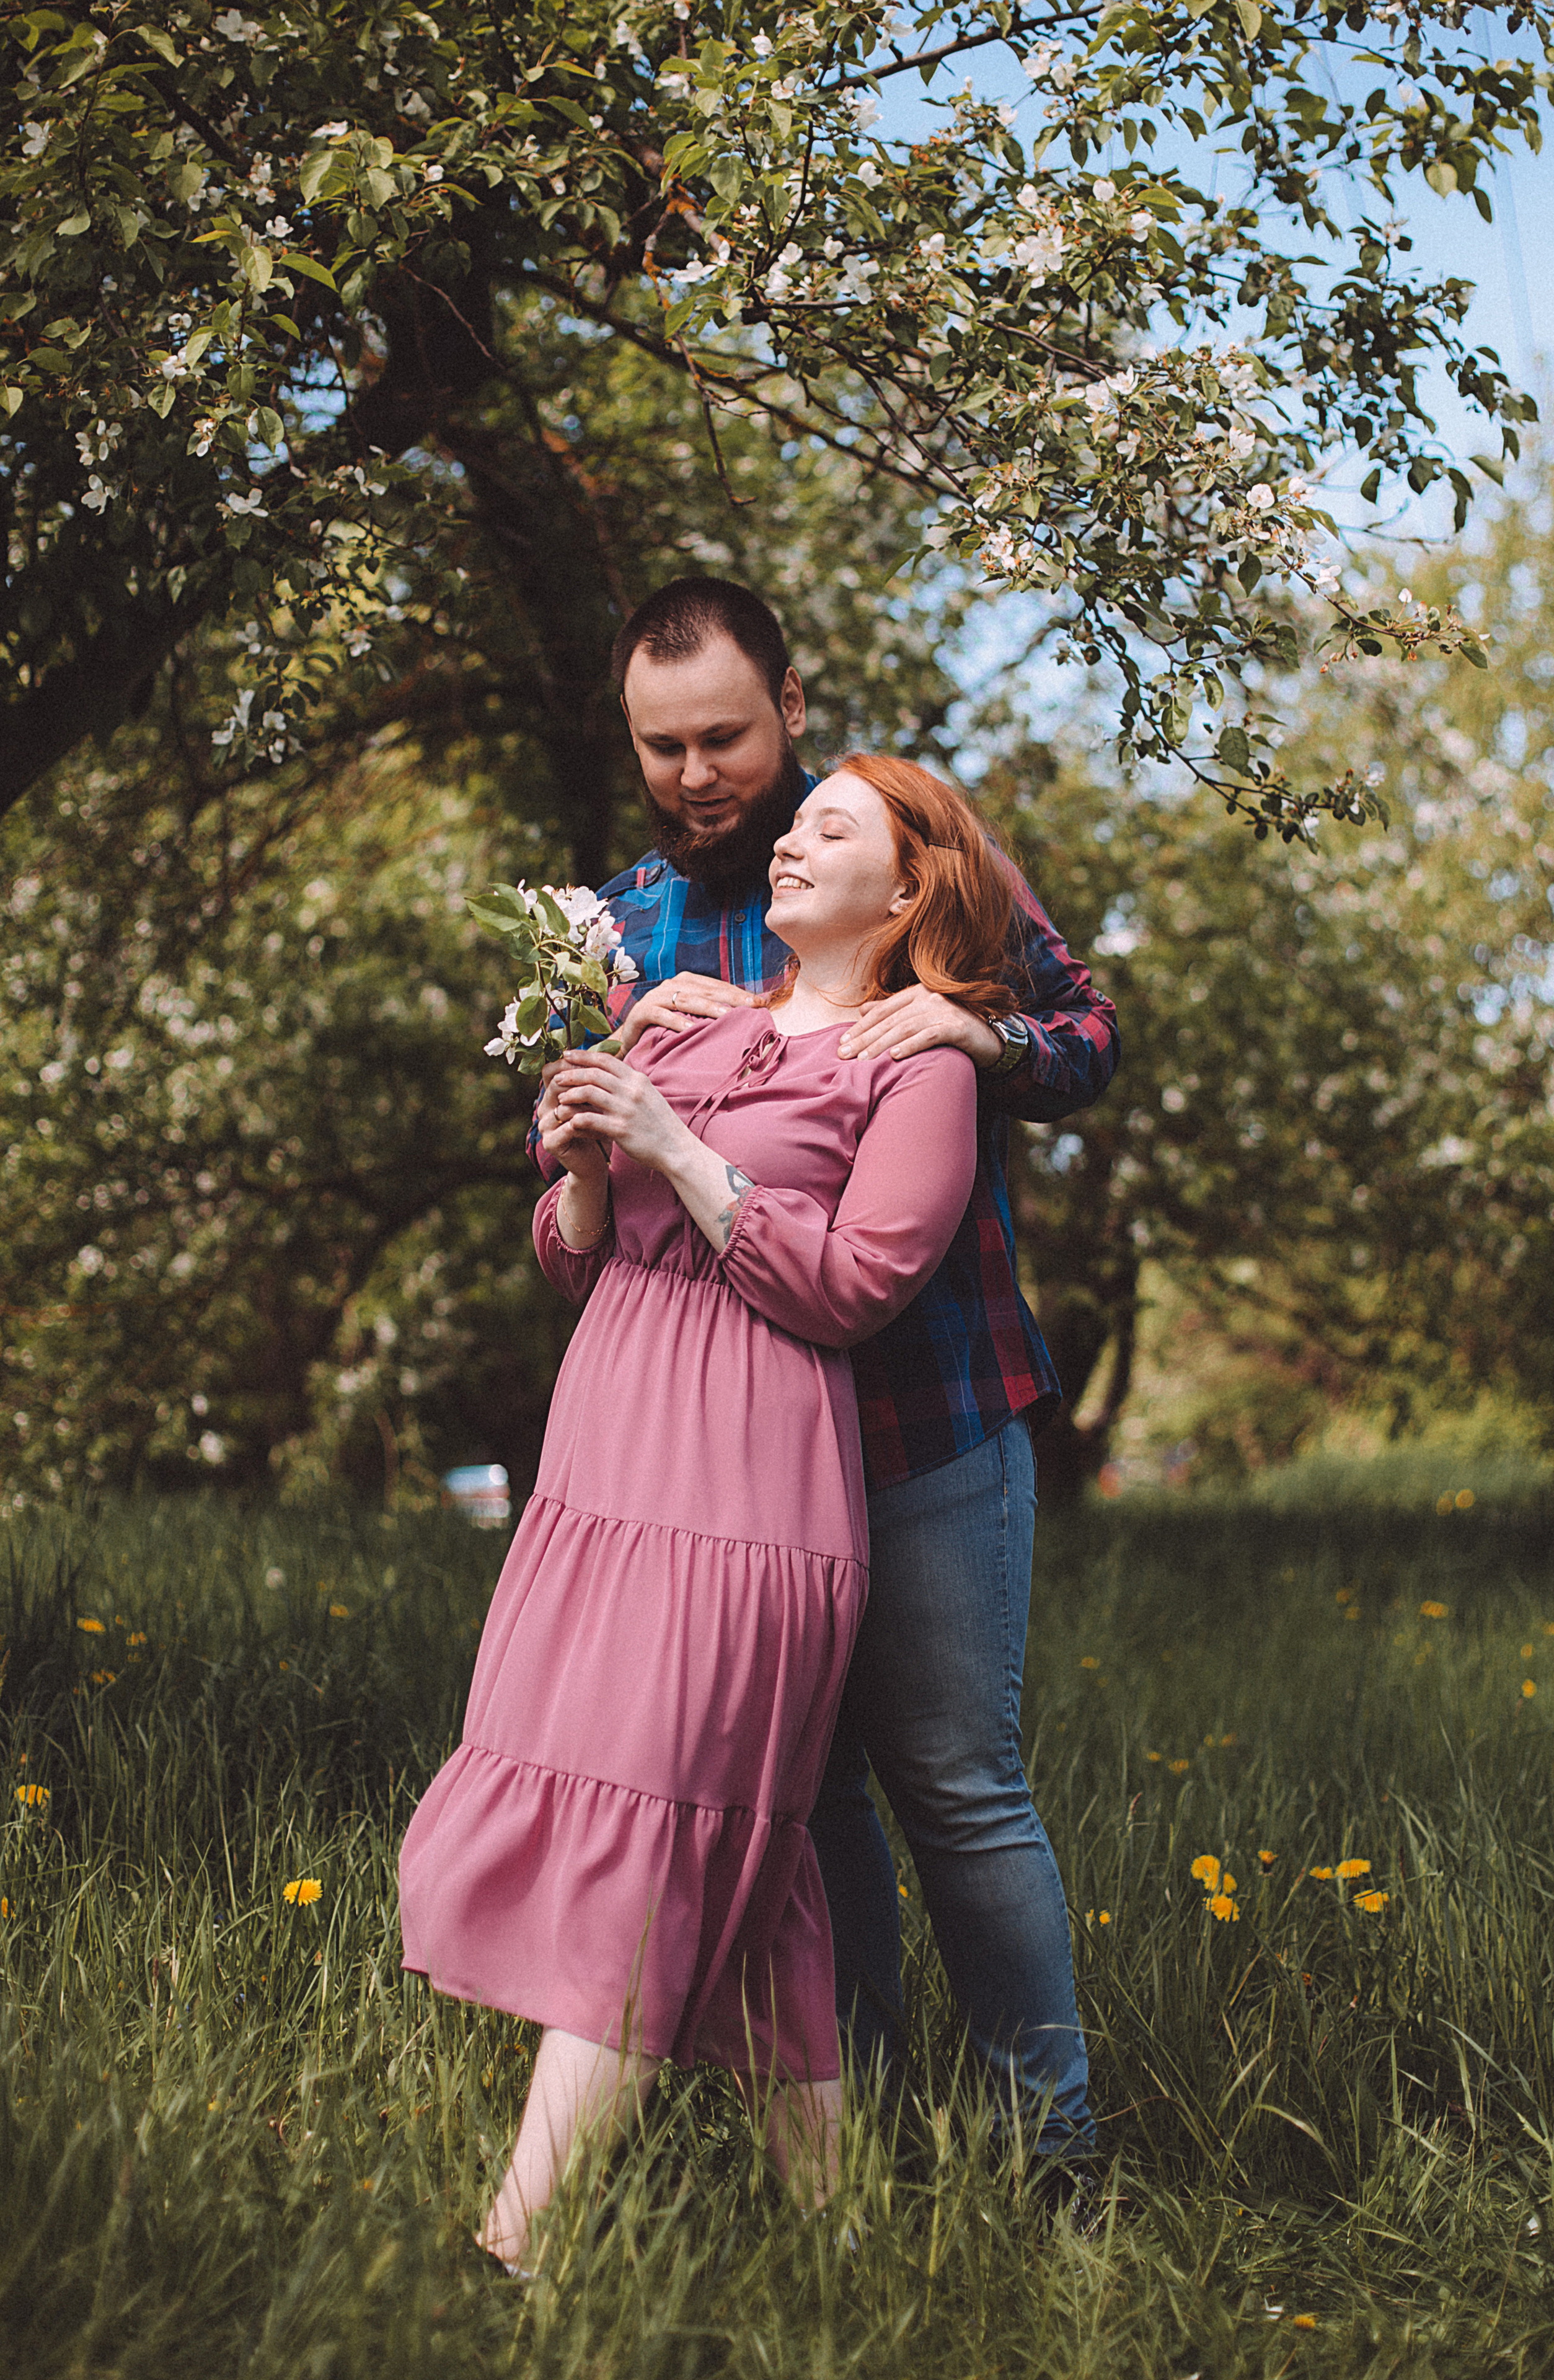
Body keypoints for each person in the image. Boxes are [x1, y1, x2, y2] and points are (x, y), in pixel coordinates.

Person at [400, 757, 1018, 2270]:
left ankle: (517, 2243)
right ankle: (845, 2242)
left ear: (912, 886)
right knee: (751, 1852)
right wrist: (593, 1155)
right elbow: (577, 1254)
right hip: (605, 1470)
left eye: (832, 829)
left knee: (664, 1819)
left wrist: (678, 1146)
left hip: (748, 1490)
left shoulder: (917, 1062)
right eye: (795, 824)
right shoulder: (694, 1015)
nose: (789, 843)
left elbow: (861, 1284)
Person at [567, 577, 1121, 2188]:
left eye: (726, 735)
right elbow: (598, 1190)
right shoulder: (628, 922)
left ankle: (1055, 2159)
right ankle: (865, 2140)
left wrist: (970, 1035)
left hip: (922, 1419)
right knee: (805, 1811)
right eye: (662, 747)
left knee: (956, 1784)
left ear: (791, 707)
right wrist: (609, 1067)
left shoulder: (906, 844)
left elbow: (1085, 1036)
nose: (698, 776)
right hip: (733, 1462)